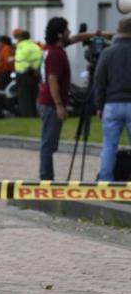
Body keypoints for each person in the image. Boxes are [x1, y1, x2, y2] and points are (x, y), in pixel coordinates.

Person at [37, 17, 106, 180]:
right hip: (50, 104)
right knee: (49, 144)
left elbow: (76, 38)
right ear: (60, 34)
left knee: (48, 142)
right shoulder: (55, 54)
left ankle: (46, 176)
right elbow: (52, 80)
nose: (70, 32)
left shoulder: (53, 48)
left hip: (46, 101)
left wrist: (100, 34)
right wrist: (60, 105)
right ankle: (46, 179)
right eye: (67, 29)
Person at [94, 18, 131, 181]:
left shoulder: (107, 53)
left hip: (111, 104)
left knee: (109, 145)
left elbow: (99, 80)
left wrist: (99, 105)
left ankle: (105, 181)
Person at [14, 30, 43, 116]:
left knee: (24, 97)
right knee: (34, 95)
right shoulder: (35, 47)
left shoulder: (20, 47)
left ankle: (26, 114)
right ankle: (34, 114)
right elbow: (40, 59)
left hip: (23, 75)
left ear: (21, 38)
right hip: (34, 74)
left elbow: (20, 61)